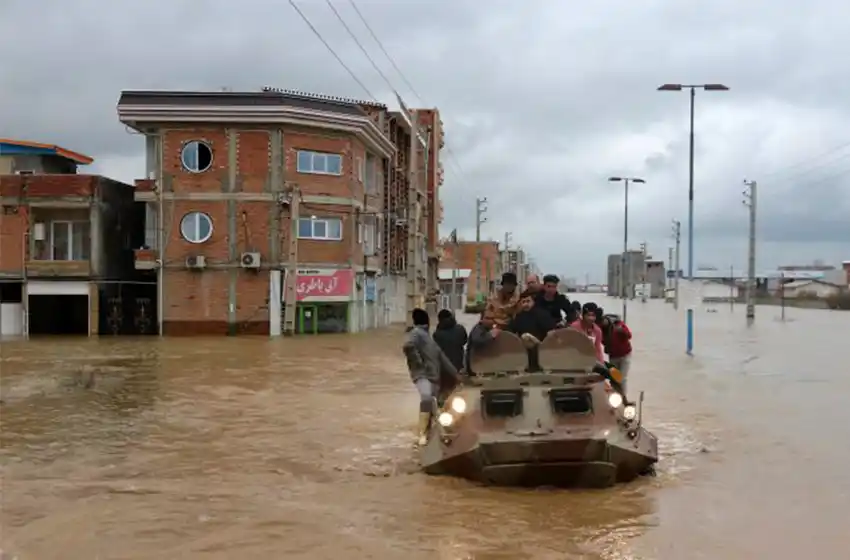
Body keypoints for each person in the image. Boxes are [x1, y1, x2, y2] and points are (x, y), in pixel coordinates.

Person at [402, 308, 461, 446]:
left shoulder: (428, 337)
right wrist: (419, 364)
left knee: (433, 406)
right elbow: (408, 346)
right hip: (423, 375)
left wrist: (456, 375)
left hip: (434, 377)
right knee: (427, 398)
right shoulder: (417, 333)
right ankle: (422, 435)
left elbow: (442, 358)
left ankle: (430, 435)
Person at [508, 288, 557, 371]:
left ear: (533, 302)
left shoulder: (543, 315)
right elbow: (510, 334)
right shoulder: (518, 317)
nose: (526, 304)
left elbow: (552, 334)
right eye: (523, 302)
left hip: (542, 353)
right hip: (524, 356)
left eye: (528, 301)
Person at [432, 309, 468, 396]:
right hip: (459, 368)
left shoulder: (437, 334)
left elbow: (435, 352)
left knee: (443, 394)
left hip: (444, 370)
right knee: (459, 393)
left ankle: (441, 407)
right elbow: (464, 341)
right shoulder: (460, 329)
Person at [602, 314, 632, 392]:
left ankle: (624, 397)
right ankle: (615, 395)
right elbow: (602, 341)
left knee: (622, 378)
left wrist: (622, 331)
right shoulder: (603, 330)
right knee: (614, 378)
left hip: (625, 355)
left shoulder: (620, 325)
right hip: (613, 356)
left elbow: (629, 335)